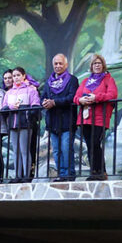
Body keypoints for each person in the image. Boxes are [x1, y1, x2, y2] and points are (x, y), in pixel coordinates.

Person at [75, 53, 118, 181]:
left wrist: (96, 98)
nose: (97, 65)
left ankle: (100, 171)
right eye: (94, 63)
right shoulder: (85, 81)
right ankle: (94, 172)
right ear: (91, 66)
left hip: (100, 117)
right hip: (85, 117)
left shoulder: (108, 79)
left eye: (99, 63)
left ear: (103, 65)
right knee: (89, 145)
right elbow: (76, 97)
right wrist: (81, 100)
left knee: (95, 143)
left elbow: (112, 94)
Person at [40, 53, 80, 181]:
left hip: (67, 121)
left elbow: (71, 97)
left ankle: (69, 174)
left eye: (60, 63)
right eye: (55, 64)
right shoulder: (49, 82)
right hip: (52, 122)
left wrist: (54, 102)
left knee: (66, 149)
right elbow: (43, 96)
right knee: (56, 151)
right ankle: (62, 175)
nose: (58, 66)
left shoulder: (72, 80)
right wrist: (44, 102)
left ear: (66, 65)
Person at [3, 66, 40, 182]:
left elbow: (36, 105)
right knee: (16, 151)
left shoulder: (31, 90)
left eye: (18, 75)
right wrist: (10, 107)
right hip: (12, 124)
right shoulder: (9, 92)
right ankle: (17, 176)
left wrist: (26, 112)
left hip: (25, 123)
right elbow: (3, 108)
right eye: (14, 76)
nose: (16, 78)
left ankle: (26, 175)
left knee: (24, 150)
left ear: (24, 76)